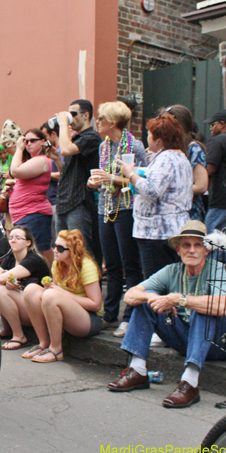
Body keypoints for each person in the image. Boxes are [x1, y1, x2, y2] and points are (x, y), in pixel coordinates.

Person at [107, 221, 226, 409]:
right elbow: (131, 295)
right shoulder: (172, 270)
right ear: (178, 250)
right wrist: (153, 297)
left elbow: (223, 306)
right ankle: (137, 371)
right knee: (147, 301)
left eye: (198, 245)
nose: (192, 250)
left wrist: (180, 299)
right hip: (185, 339)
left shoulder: (217, 269)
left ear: (206, 250)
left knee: (204, 307)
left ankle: (190, 382)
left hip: (216, 343)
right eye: (186, 245)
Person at [88, 101, 146, 338]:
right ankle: (110, 315)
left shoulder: (135, 145)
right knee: (111, 265)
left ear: (112, 122)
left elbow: (142, 180)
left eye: (100, 119)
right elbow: (100, 179)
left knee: (129, 265)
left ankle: (129, 316)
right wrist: (93, 182)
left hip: (126, 208)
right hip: (105, 207)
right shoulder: (103, 147)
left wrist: (111, 178)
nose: (97, 122)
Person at [120, 113, 193, 281]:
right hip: (174, 229)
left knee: (158, 285)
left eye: (149, 135)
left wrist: (131, 174)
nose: (148, 139)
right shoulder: (180, 156)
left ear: (158, 139)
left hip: (156, 233)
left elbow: (152, 190)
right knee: (173, 282)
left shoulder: (166, 158)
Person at [21, 229, 103, 363]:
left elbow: (95, 304)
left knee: (52, 295)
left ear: (73, 251)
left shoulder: (86, 266)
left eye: (60, 248)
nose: (55, 250)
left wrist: (61, 292)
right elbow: (53, 292)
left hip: (90, 319)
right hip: (70, 313)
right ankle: (43, 343)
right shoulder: (57, 263)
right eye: (54, 245)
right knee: (31, 290)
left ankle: (56, 349)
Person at [0, 226, 50, 350]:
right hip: (21, 306)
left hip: (37, 312)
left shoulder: (33, 259)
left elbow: (0, 279)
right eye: (11, 238)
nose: (13, 241)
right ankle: (5, 329)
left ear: (28, 243)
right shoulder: (10, 258)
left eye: (18, 238)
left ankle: (19, 336)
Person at [53, 99, 103, 264]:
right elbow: (67, 172)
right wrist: (56, 159)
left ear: (86, 115)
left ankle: (88, 288)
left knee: (81, 251)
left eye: (73, 114)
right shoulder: (76, 139)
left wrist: (62, 126)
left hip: (80, 202)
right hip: (64, 201)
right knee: (61, 251)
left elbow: (66, 150)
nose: (69, 118)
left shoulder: (91, 137)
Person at [8, 129, 55, 264]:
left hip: (34, 212)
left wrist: (18, 149)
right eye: (26, 141)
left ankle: (50, 279)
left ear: (42, 142)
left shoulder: (42, 160)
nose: (28, 144)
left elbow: (15, 171)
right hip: (23, 213)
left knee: (39, 251)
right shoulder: (32, 160)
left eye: (33, 140)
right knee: (29, 252)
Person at [164, 105, 208, 222]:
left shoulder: (193, 148)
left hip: (189, 213)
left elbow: (201, 185)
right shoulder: (168, 149)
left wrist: (170, 189)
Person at [203, 110, 226, 233]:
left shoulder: (217, 141)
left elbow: (209, 169)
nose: (211, 129)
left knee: (212, 243)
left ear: (222, 124)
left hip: (221, 202)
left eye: (212, 125)